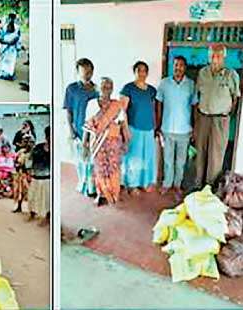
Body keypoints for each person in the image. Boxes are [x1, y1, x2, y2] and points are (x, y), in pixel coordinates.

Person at [195, 43, 241, 188]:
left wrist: (226, 115)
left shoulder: (231, 74)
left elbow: (235, 99)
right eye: (212, 56)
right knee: (200, 152)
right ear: (209, 57)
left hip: (221, 119)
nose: (215, 59)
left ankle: (210, 188)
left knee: (216, 155)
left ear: (224, 57)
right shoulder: (202, 73)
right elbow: (198, 96)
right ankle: (198, 185)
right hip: (203, 117)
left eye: (218, 56)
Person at [82, 77, 131, 206]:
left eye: (109, 87)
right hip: (97, 143)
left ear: (112, 89)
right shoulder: (92, 104)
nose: (106, 90)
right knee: (100, 169)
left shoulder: (117, 105)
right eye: (104, 87)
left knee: (114, 169)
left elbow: (123, 124)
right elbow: (87, 126)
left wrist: (126, 141)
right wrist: (84, 144)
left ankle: (114, 194)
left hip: (114, 142)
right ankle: (101, 194)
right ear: (98, 88)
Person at [156, 56, 198, 197]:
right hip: (167, 128)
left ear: (184, 68)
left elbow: (195, 106)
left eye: (180, 65)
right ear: (172, 66)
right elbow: (159, 104)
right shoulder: (164, 83)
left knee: (181, 161)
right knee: (168, 160)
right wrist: (159, 124)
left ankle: (177, 185)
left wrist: (194, 127)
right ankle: (167, 184)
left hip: (185, 130)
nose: (177, 68)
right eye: (175, 65)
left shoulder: (191, 84)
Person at [120, 61, 158, 195]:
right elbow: (122, 110)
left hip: (148, 129)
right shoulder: (128, 88)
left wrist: (155, 127)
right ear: (134, 72)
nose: (141, 73)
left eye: (144, 71)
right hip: (133, 128)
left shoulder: (152, 90)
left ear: (147, 73)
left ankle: (145, 182)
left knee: (147, 157)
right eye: (139, 70)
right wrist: (125, 129)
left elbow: (153, 109)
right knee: (134, 157)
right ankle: (132, 184)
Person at [63, 58, 99, 196]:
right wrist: (70, 130)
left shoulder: (97, 89)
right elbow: (68, 110)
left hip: (94, 131)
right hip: (78, 130)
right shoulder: (71, 89)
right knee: (80, 161)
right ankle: (83, 184)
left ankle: (91, 187)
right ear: (78, 72)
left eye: (89, 71)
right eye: (84, 71)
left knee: (92, 161)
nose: (87, 74)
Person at [27, 126, 51, 226]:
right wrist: (28, 171)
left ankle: (47, 217)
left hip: (47, 179)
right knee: (32, 198)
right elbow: (30, 160)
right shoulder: (38, 148)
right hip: (36, 177)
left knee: (47, 201)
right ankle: (32, 214)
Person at [12, 134, 34, 213]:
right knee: (19, 191)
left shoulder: (33, 153)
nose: (26, 143)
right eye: (24, 141)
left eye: (27, 141)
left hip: (29, 174)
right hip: (20, 173)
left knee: (29, 191)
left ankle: (32, 209)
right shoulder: (20, 152)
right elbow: (15, 161)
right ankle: (19, 206)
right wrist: (17, 165)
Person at [0, 14, 21, 80]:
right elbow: (0, 36)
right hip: (4, 46)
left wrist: (12, 42)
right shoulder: (4, 26)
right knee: (3, 60)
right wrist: (3, 41)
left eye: (13, 18)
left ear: (14, 19)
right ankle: (0, 73)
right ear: (8, 18)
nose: (11, 19)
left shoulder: (17, 27)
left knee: (10, 61)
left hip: (12, 48)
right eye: (10, 18)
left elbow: (18, 37)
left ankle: (8, 74)